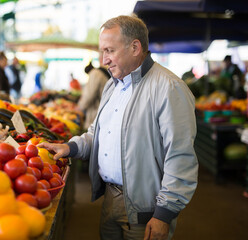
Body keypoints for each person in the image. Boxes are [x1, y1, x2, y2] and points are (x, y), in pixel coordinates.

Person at [38, 15, 198, 240]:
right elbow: (98, 132)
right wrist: (70, 147)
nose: (104, 60)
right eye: (102, 52)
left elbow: (180, 157)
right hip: (111, 198)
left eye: (109, 51)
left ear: (135, 47)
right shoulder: (113, 87)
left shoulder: (169, 88)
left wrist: (164, 214)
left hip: (146, 209)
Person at [78, 53, 110, 129]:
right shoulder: (105, 72)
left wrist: (79, 108)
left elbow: (89, 96)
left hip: (95, 115)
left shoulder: (95, 73)